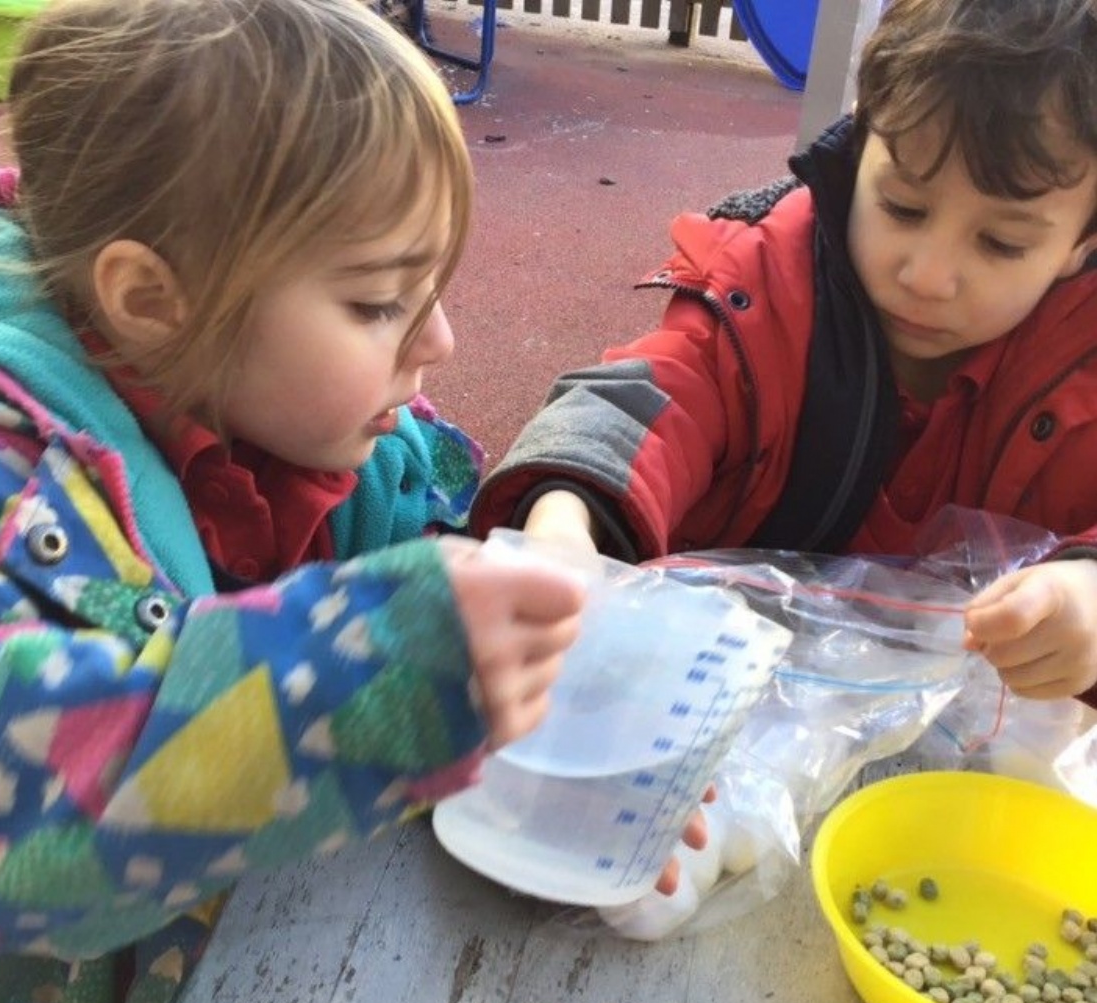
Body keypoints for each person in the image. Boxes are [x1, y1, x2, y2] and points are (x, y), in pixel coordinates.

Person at [0, 0, 587, 1003]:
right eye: (379, 303)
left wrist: (562, 778)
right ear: (150, 299)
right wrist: (375, 675)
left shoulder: (303, 421)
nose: (442, 341)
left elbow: (408, 557)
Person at [470, 0, 1097, 704]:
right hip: (729, 696)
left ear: (1082, 242)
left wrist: (1088, 594)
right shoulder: (768, 281)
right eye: (903, 207)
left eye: (1001, 244)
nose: (926, 275)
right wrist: (564, 518)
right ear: (860, 149)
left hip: (981, 750)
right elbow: (655, 394)